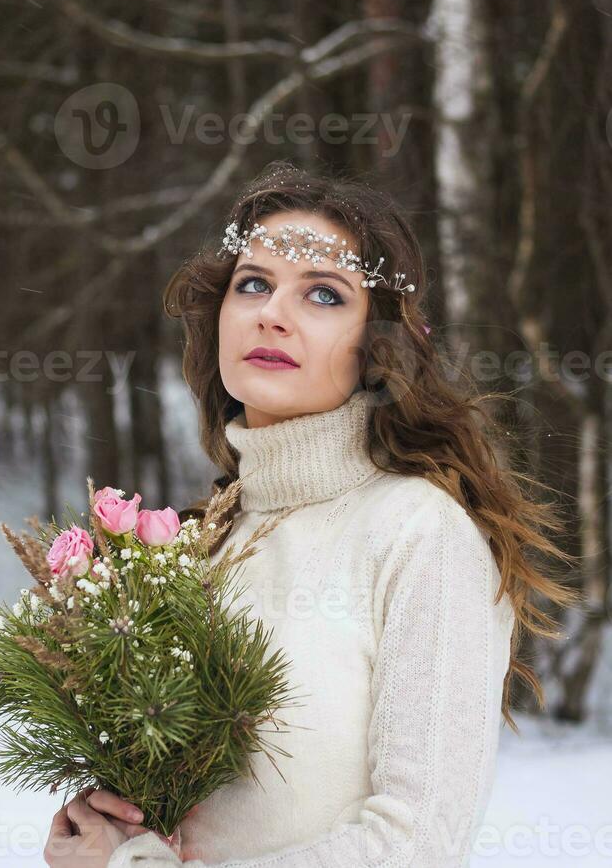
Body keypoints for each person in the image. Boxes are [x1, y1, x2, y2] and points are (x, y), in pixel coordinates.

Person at [44, 161, 578, 868]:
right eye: (254, 283)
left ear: (376, 344)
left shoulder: (421, 535)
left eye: (324, 295)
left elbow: (416, 844)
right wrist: (119, 835)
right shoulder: (193, 548)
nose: (273, 312)